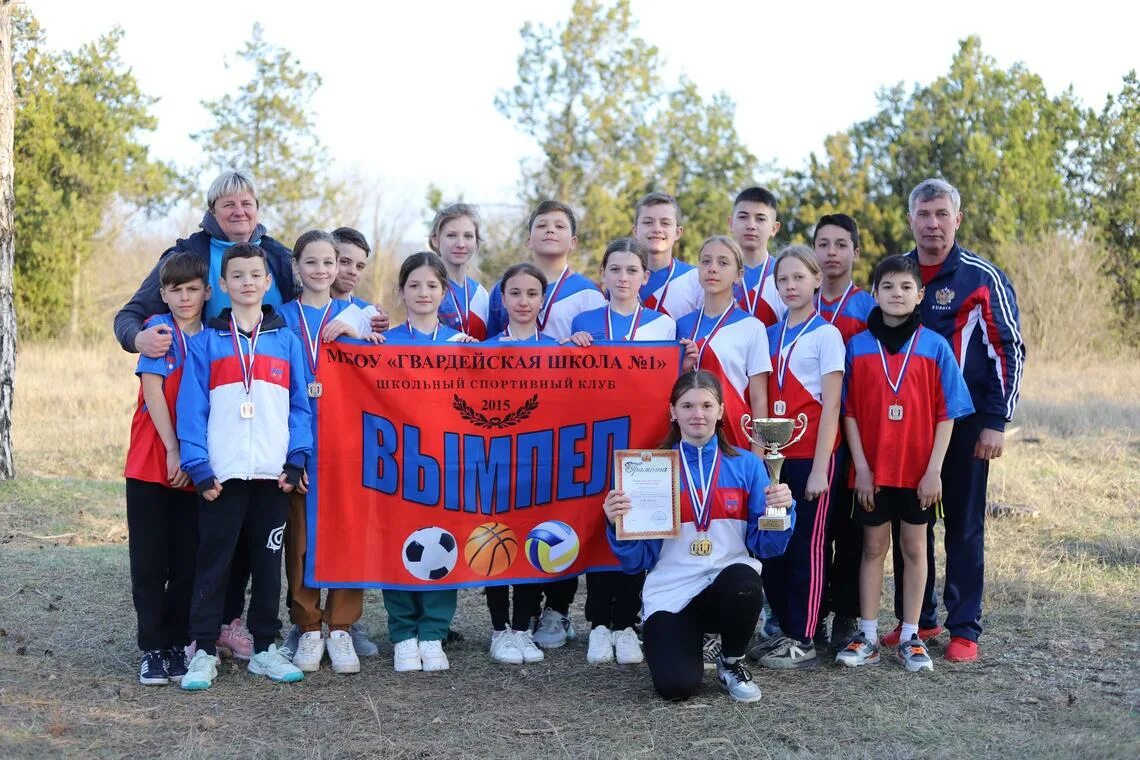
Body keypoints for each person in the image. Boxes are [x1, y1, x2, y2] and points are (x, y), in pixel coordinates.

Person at [114, 170, 297, 659]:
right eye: (227, 205)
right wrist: (139, 339)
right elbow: (130, 316)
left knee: (241, 539)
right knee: (203, 541)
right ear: (212, 211)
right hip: (201, 425)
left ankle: (229, 624)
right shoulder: (183, 258)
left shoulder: (277, 257)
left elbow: (310, 309)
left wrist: (362, 318)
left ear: (258, 209)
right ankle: (185, 637)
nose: (239, 212)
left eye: (247, 203)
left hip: (260, 427)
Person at [890, 178, 1024, 663]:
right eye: (923, 215)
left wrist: (996, 420)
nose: (932, 224)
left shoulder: (980, 277)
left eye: (941, 214)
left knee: (963, 525)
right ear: (911, 220)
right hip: (908, 429)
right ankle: (917, 622)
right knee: (912, 523)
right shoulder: (898, 275)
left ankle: (964, 627)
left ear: (957, 219)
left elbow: (1008, 350)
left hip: (966, 427)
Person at [602, 371, 795, 702]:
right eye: (687, 405)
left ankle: (731, 661)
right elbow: (638, 562)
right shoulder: (650, 469)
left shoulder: (747, 465)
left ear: (721, 410)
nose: (698, 414)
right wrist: (617, 524)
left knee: (745, 580)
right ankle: (681, 641)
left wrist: (782, 512)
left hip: (726, 584)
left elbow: (766, 547)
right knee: (675, 687)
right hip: (672, 592)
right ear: (672, 412)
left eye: (707, 405)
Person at [176, 243, 312, 690]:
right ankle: (202, 649)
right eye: (238, 275)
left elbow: (299, 407)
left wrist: (295, 461)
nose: (248, 282)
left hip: (273, 477)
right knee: (214, 562)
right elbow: (191, 407)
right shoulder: (206, 342)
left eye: (256, 274)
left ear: (268, 281)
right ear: (223, 284)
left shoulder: (287, 340)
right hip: (223, 476)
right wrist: (198, 465)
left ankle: (266, 649)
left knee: (268, 564)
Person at [837, 254, 974, 671]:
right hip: (872, 473)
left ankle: (912, 634)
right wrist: (860, 466)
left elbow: (947, 413)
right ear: (874, 293)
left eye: (906, 287)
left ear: (921, 295)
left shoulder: (934, 347)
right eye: (888, 287)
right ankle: (867, 633)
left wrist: (934, 470)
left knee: (915, 549)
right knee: (873, 547)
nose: (897, 294)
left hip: (918, 474)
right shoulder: (857, 346)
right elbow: (849, 413)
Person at [486, 200, 606, 650]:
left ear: (573, 240)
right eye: (542, 225)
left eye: (560, 226)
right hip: (503, 445)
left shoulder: (589, 295)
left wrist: (579, 348)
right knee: (503, 530)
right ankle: (506, 627)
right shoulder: (501, 305)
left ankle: (554, 612)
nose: (524, 301)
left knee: (556, 523)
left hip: (554, 439)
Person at [566, 238, 675, 666]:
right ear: (603, 276)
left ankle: (627, 623)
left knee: (636, 528)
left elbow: (669, 383)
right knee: (599, 526)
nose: (623, 278)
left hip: (643, 445)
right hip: (593, 440)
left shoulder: (662, 327)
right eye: (615, 269)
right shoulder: (585, 320)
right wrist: (568, 350)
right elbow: (562, 381)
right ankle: (597, 623)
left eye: (632, 270)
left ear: (645, 277)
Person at [751, 247, 845, 670]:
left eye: (798, 278)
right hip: (774, 457)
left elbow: (831, 406)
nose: (790, 286)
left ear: (815, 281)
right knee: (774, 542)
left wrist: (822, 468)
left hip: (810, 458)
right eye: (783, 280)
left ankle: (805, 638)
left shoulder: (827, 335)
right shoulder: (768, 335)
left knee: (807, 545)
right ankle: (783, 630)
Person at [279, 230, 368, 676]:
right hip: (298, 440)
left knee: (349, 530)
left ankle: (343, 627)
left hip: (348, 442)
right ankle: (309, 625)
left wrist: (357, 332)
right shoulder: (278, 316)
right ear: (296, 267)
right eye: (310, 262)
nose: (320, 270)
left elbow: (386, 373)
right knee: (301, 536)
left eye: (328, 262)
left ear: (338, 267)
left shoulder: (360, 316)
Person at [380, 252, 474, 673]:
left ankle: (434, 632)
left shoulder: (463, 346)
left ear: (444, 292)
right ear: (401, 291)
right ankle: (402, 633)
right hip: (396, 463)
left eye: (432, 286)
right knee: (396, 542)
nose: (422, 293)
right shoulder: (381, 345)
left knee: (441, 545)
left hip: (447, 464)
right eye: (414, 285)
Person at [123, 252, 208, 686]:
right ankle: (151, 649)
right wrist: (174, 450)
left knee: (187, 560)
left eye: (193, 289)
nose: (185, 297)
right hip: (152, 459)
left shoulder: (214, 336)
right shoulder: (158, 331)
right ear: (163, 293)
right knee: (150, 560)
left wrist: (194, 458)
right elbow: (153, 391)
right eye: (176, 289)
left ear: (207, 292)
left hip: (195, 463)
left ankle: (177, 644)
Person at [481, 263, 556, 665]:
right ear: (503, 299)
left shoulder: (560, 351)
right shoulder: (482, 351)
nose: (523, 301)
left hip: (540, 465)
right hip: (495, 464)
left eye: (531, 293)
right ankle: (499, 629)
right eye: (515, 293)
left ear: (542, 299)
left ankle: (524, 628)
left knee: (532, 542)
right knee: (495, 541)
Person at [811, 213, 876, 649]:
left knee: (852, 531)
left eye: (840, 244)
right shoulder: (799, 299)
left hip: (855, 433)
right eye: (823, 244)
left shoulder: (868, 307)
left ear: (855, 251)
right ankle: (807, 611)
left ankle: (846, 615)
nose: (831, 253)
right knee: (815, 528)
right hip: (809, 434)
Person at [675, 236, 771, 453]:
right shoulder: (681, 325)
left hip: (735, 435)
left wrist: (757, 456)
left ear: (739, 275)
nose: (712, 269)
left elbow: (759, 398)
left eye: (723, 263)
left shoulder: (752, 327)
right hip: (689, 435)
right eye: (706, 262)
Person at [634, 192, 702, 318]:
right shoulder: (620, 277)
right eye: (648, 222)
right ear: (636, 231)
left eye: (665, 223)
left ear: (678, 232)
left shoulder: (696, 279)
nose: (656, 229)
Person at [430, 204, 491, 341]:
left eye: (468, 236)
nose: (461, 244)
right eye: (451, 235)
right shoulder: (426, 287)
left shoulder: (481, 293)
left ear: (476, 242)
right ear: (436, 240)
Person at [729, 187, 786, 327]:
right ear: (731, 223)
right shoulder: (713, 273)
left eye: (760, 219)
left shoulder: (786, 274)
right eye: (743, 217)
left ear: (774, 228)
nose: (751, 225)